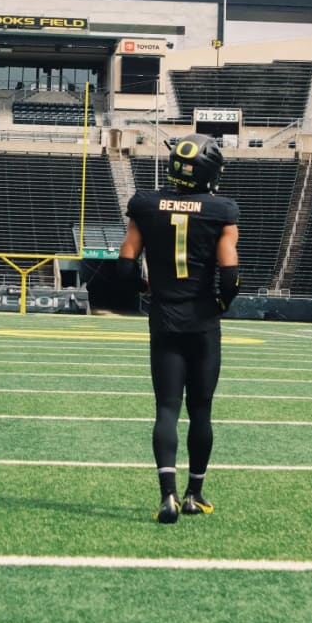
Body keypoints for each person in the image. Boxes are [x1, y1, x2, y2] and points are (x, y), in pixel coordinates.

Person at [118, 134, 240, 524]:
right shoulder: (221, 209)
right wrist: (219, 304)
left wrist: (145, 289)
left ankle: (167, 496)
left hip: (165, 318)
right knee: (201, 410)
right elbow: (231, 276)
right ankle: (195, 494)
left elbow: (125, 265)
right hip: (202, 322)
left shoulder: (146, 204)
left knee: (166, 408)